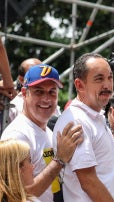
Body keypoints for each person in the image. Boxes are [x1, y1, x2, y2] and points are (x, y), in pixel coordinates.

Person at [1, 64, 83, 202]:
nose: (46, 99)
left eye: (52, 92)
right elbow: (18, 195)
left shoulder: (47, 131)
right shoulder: (17, 135)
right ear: (24, 93)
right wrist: (60, 160)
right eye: (39, 92)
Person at [53, 53, 114, 202]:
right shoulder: (76, 121)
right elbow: (88, 181)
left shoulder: (93, 116)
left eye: (110, 77)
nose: (107, 85)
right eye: (99, 79)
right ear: (79, 85)